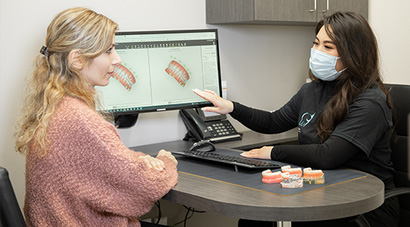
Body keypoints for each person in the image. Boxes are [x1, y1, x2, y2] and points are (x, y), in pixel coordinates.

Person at [193, 12, 400, 227]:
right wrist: (232, 107)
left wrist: (272, 152)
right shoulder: (311, 90)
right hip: (321, 192)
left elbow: (327, 156)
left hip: (364, 205)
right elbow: (273, 122)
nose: (317, 52)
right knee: (252, 221)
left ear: (353, 54)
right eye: (316, 43)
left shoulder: (370, 101)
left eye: (328, 47)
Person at [14, 7, 178, 227]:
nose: (117, 59)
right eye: (109, 50)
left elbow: (104, 162)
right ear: (77, 60)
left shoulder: (56, 107)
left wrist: (137, 161)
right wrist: (165, 161)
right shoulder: (80, 120)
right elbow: (146, 187)